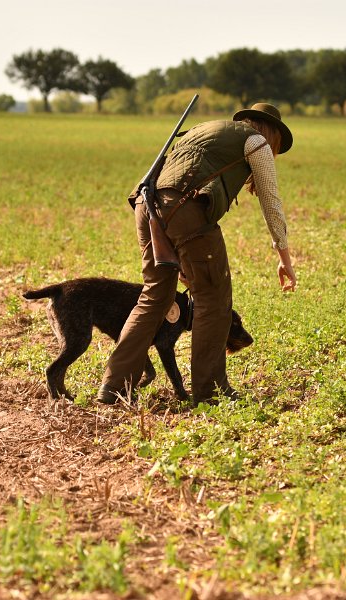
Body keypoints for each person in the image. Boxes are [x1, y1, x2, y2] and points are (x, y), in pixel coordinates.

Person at [98, 103, 297, 404]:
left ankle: (113, 387)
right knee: (214, 299)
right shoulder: (256, 142)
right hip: (184, 209)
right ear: (273, 135)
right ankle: (210, 392)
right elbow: (270, 200)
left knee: (154, 297)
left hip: (146, 205)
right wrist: (284, 259)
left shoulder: (205, 130)